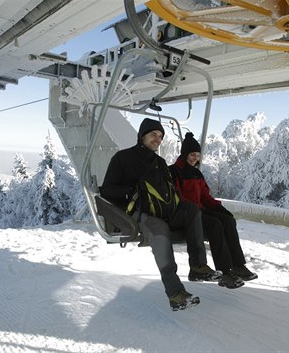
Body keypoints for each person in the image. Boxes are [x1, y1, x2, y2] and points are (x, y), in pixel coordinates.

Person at [100, 118, 221, 311]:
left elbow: (169, 189)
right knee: (160, 229)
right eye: (153, 135)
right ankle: (175, 293)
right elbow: (107, 190)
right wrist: (131, 190)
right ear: (142, 136)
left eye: (160, 136)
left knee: (191, 210)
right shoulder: (122, 158)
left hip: (164, 208)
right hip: (138, 212)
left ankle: (198, 266)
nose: (157, 139)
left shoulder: (160, 162)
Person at [169, 132, 258, 285]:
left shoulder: (196, 173)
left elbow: (205, 197)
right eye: (192, 154)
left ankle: (238, 265)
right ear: (184, 154)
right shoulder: (173, 172)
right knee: (215, 224)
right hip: (185, 213)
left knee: (227, 220)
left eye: (197, 154)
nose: (195, 158)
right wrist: (194, 209)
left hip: (199, 210)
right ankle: (224, 272)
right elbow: (176, 196)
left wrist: (219, 208)